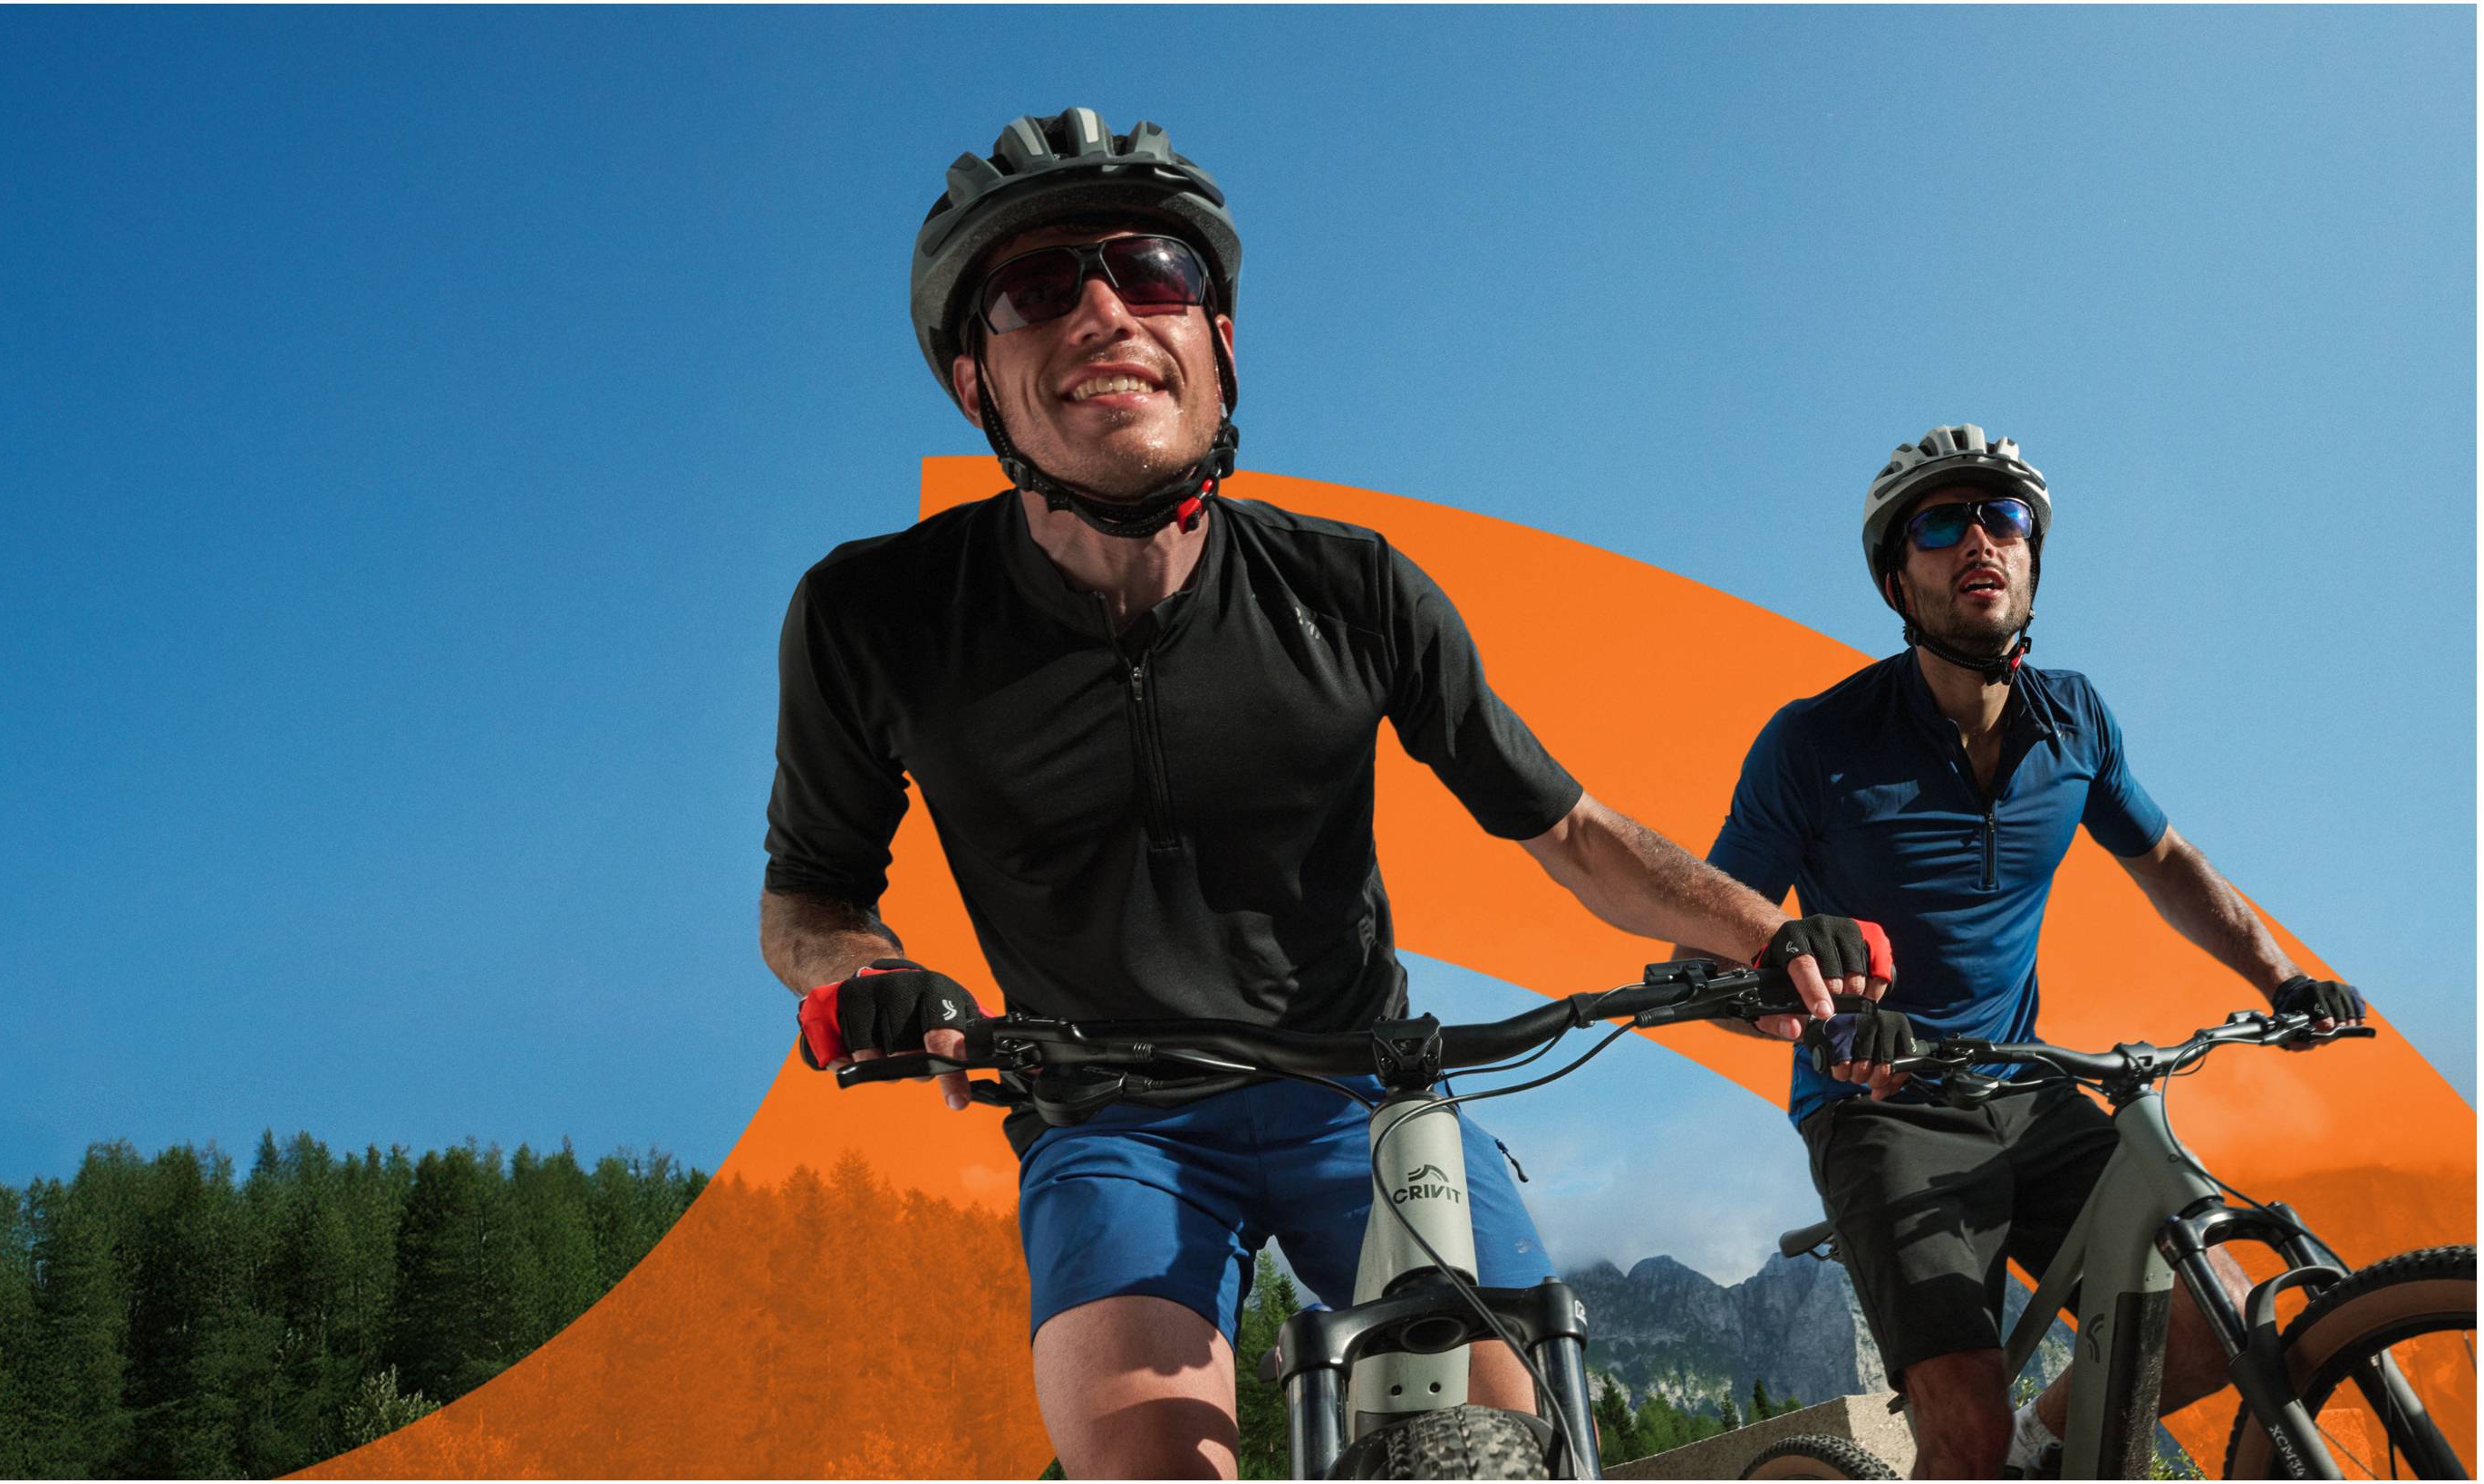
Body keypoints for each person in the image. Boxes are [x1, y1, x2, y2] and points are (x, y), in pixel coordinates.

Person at [759, 107, 1890, 1480]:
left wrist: (1765, 934)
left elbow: (1572, 832)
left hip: (1363, 1094)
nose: (1106, 309)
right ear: (971, 384)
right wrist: (870, 976)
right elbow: (810, 897)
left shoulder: (1351, 589)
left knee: (1502, 1447)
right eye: (1036, 287)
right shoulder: (870, 615)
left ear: (1217, 344)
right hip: (1111, 1118)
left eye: (1151, 271)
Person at [1680, 425, 2367, 1479]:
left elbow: (2171, 862)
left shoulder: (2076, 721)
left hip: (2031, 1089)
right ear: (1898, 580)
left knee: (2213, 1314)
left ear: (2033, 555)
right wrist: (1800, 986)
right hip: (1881, 1110)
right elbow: (1707, 961)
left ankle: (2043, 1448)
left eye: (2002, 518)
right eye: (1940, 523)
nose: (1979, 541)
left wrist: (2283, 976)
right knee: (1963, 1416)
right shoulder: (1816, 744)